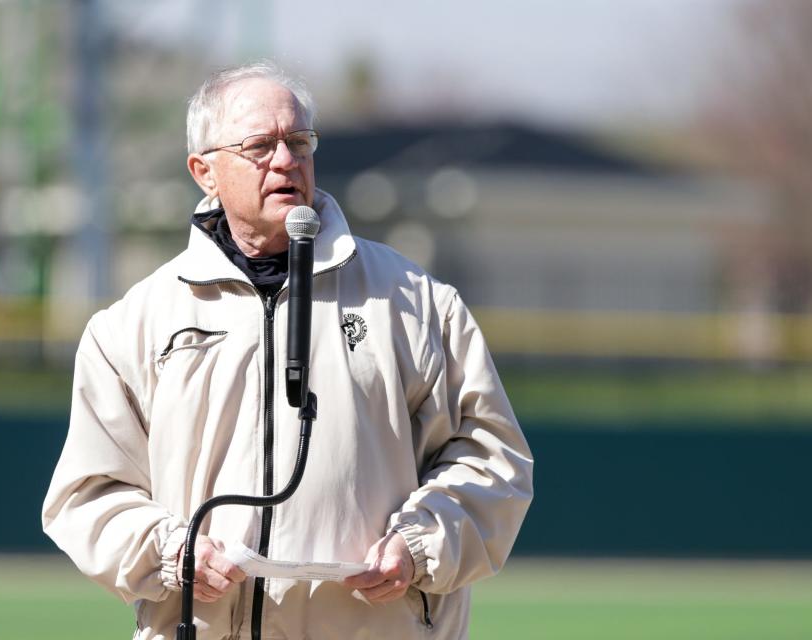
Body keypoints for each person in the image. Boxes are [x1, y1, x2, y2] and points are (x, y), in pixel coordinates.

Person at [42, 60, 533, 640]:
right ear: (205, 171)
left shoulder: (414, 301)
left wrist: (419, 544)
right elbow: (89, 494)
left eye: (298, 141)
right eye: (259, 146)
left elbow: (491, 458)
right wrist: (172, 553)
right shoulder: (133, 324)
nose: (285, 161)